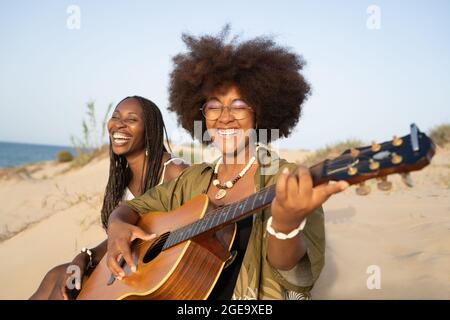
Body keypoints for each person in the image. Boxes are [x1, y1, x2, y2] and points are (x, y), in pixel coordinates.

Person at [105, 28, 348, 300]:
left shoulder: (285, 178)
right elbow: (132, 207)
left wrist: (286, 225)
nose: (224, 117)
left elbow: (296, 277)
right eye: (213, 106)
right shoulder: (194, 179)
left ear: (261, 110)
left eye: (239, 104)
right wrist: (116, 227)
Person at [29, 96, 188, 300]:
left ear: (150, 130)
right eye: (115, 117)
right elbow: (122, 235)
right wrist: (85, 256)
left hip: (160, 275)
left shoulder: (173, 170)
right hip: (130, 265)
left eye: (131, 119)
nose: (119, 124)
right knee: (58, 276)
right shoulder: (123, 177)